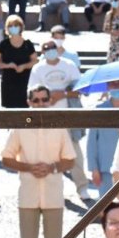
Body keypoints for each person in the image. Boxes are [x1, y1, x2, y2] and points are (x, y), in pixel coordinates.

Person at [1, 87, 74, 238]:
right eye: (36, 100)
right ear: (29, 102)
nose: (40, 104)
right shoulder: (20, 127)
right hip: (27, 196)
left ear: (50, 101)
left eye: (44, 100)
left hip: (53, 196)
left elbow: (70, 159)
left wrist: (52, 167)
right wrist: (28, 167)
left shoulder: (59, 127)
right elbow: (6, 158)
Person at [28, 41, 90, 200]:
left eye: (52, 48)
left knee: (74, 154)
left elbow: (80, 88)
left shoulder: (69, 65)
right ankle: (53, 189)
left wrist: (62, 94)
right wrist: (48, 98)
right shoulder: (38, 69)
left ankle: (82, 187)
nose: (50, 51)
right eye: (46, 49)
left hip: (68, 116)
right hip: (47, 119)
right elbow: (31, 93)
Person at [88, 78, 119, 200]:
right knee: (107, 208)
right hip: (106, 169)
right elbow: (92, 142)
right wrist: (94, 168)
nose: (116, 86)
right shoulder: (99, 110)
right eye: (112, 83)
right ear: (107, 87)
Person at [0, 15, 36, 108]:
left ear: (21, 27)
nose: (13, 28)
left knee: (24, 106)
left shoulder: (27, 44)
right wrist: (7, 65)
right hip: (8, 81)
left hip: (25, 80)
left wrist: (24, 66)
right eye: (11, 26)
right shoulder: (4, 44)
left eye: (16, 25)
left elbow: (34, 60)